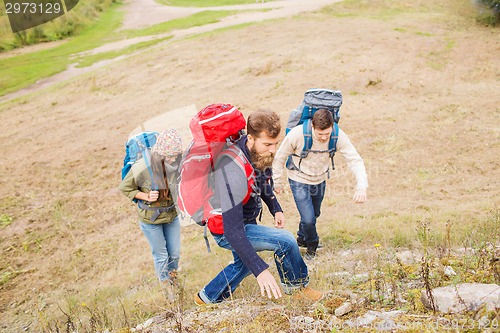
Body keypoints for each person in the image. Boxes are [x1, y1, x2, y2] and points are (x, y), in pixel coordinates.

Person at [194, 109, 323, 305]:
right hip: (227, 229)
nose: (273, 150)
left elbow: (262, 181)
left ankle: (206, 298)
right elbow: (233, 232)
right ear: (251, 138)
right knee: (286, 241)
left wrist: (275, 208)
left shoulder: (256, 153)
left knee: (243, 265)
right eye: (267, 144)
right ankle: (297, 288)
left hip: (242, 221)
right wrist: (261, 270)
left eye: (275, 144)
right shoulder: (231, 170)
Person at [272, 109, 368, 259]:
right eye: (320, 134)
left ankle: (302, 238)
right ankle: (312, 246)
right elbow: (279, 157)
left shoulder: (337, 135)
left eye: (327, 134)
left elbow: (354, 160)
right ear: (312, 126)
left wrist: (361, 187)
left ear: (332, 127)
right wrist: (276, 181)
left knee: (314, 214)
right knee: (309, 218)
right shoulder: (297, 134)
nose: (323, 138)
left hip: (320, 179)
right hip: (298, 179)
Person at [119, 129, 183, 286]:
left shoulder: (178, 163)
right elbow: (125, 187)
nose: (173, 158)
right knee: (161, 256)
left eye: (176, 154)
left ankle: (173, 280)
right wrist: (146, 196)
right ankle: (167, 290)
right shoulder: (143, 167)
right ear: (160, 154)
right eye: (169, 155)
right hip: (151, 220)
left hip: (171, 215)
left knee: (174, 254)